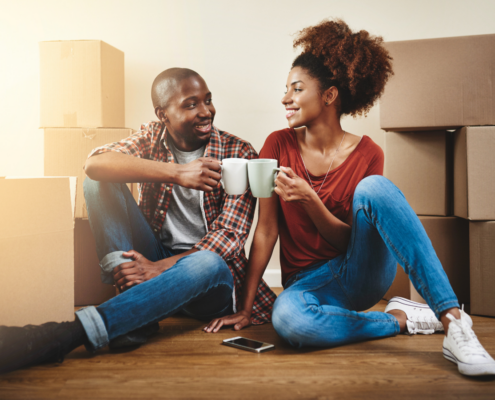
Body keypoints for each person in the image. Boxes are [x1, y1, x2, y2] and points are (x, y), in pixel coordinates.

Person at [204, 19, 495, 377]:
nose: (285, 98)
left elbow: (348, 240)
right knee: (290, 321)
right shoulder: (277, 145)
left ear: (329, 95)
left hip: (359, 270)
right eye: (286, 89)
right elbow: (265, 231)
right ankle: (401, 320)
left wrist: (310, 200)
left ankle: (452, 321)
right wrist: (246, 307)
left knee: (374, 188)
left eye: (296, 89)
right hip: (306, 283)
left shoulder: (368, 153)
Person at [0, 68, 276, 374]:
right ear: (163, 115)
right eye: (190, 104)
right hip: (151, 258)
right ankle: (134, 304)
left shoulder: (239, 152)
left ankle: (62, 335)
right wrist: (178, 173)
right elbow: (95, 163)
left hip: (206, 282)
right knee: (98, 180)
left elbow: (230, 237)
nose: (205, 111)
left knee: (209, 262)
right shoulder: (151, 138)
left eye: (207, 101)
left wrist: (158, 268)